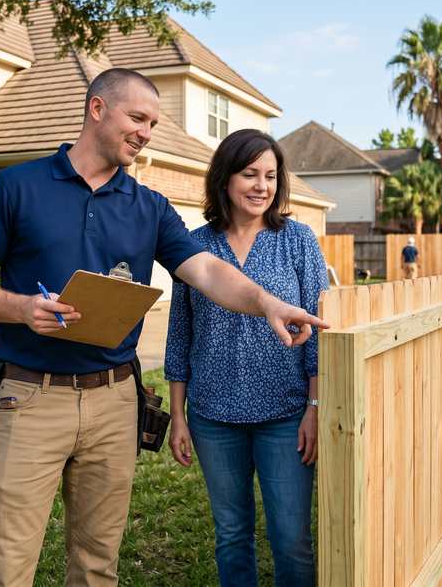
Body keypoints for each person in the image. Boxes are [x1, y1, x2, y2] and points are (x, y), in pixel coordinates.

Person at [0, 68, 327, 587]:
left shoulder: (149, 207)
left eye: (153, 122)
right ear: (97, 109)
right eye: (138, 118)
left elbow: (208, 271)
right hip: (31, 398)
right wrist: (20, 308)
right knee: (6, 566)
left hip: (115, 402)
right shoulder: (17, 186)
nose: (147, 132)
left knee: (98, 564)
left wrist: (265, 302)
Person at [165, 129, 326, 587]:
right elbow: (180, 335)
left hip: (286, 414)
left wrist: (314, 408)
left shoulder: (297, 240)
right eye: (250, 173)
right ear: (225, 179)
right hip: (214, 417)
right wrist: (179, 415)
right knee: (232, 534)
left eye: (271, 176)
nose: (261, 186)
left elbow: (316, 331)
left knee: (291, 537)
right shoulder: (195, 245)